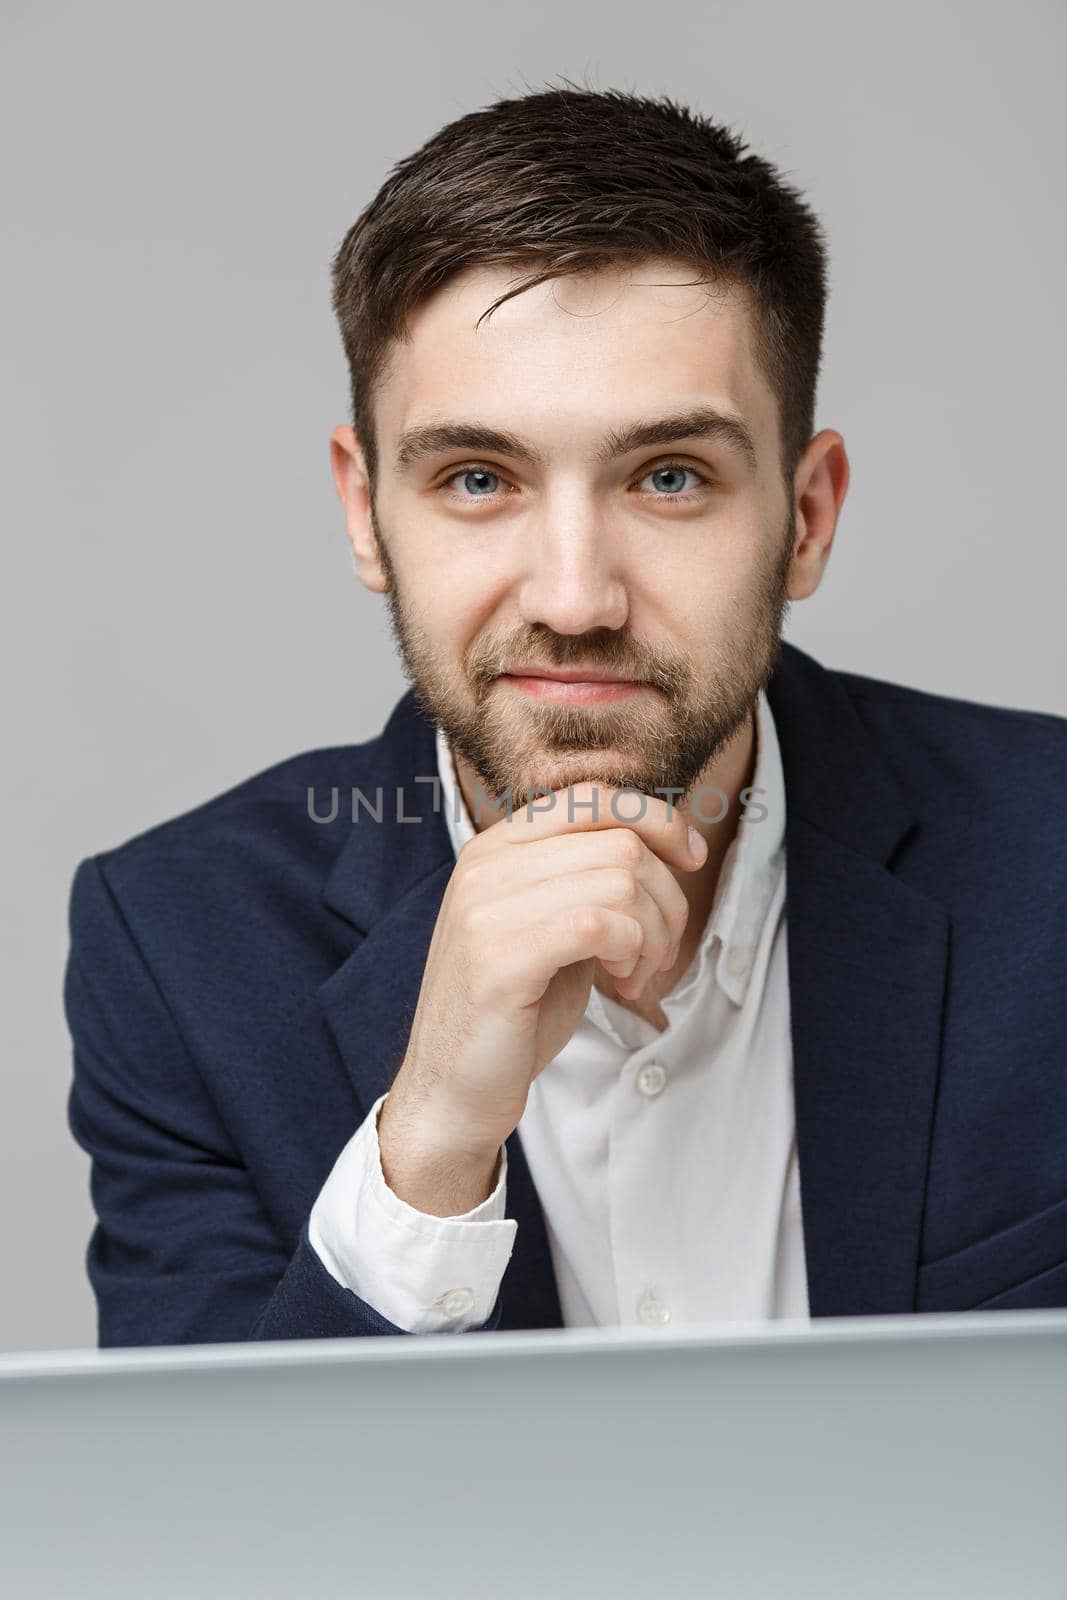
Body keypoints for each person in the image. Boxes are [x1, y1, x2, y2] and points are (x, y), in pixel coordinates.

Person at [64, 84, 1067, 1348]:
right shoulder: (174, 947)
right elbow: (207, 1531)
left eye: (668, 477)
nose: (575, 597)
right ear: (366, 512)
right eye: (476, 478)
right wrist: (425, 1144)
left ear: (805, 516)